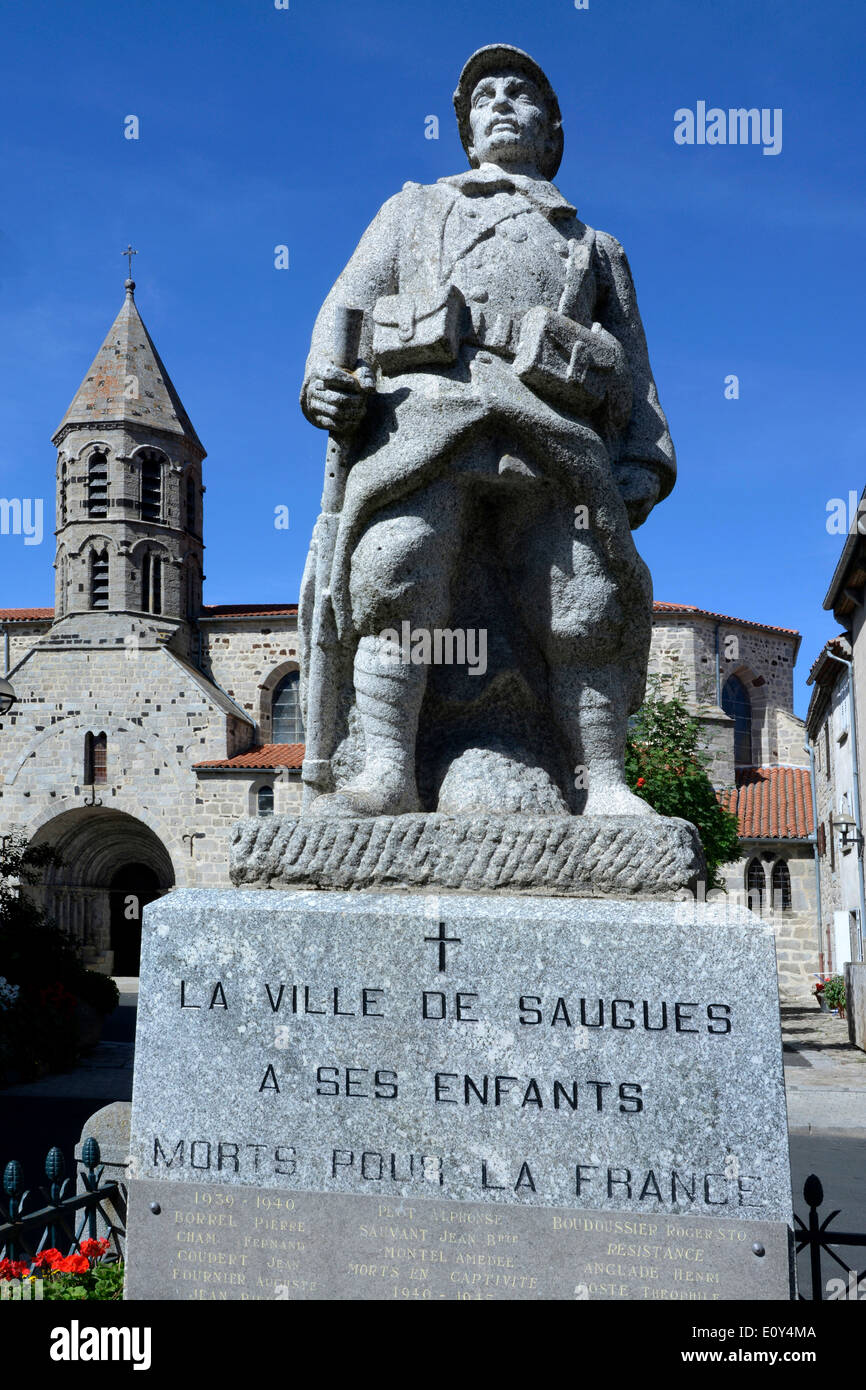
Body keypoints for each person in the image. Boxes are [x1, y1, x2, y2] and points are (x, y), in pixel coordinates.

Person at [299, 44, 675, 819]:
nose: (501, 103)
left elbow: (636, 380)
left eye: (521, 93)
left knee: (585, 598)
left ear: (553, 131)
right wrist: (323, 384)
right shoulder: (412, 210)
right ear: (467, 131)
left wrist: (639, 464)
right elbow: (347, 308)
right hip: (422, 426)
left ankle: (601, 782)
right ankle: (387, 771)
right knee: (394, 570)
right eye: (484, 97)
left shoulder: (594, 247)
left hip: (552, 439)